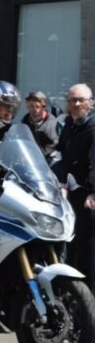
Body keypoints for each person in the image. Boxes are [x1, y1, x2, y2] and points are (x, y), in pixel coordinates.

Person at [56, 84, 95, 278]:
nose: (77, 104)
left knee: (89, 249)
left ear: (90, 103)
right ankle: (72, 295)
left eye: (81, 100)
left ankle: (90, 300)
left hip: (89, 196)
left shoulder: (93, 126)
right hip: (71, 193)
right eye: (73, 100)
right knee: (71, 242)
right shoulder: (69, 126)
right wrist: (59, 182)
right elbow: (61, 156)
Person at [23, 90, 59, 160]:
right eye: (31, 106)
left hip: (48, 163)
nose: (35, 110)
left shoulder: (53, 124)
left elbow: (58, 147)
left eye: (37, 106)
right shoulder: (25, 122)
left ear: (44, 107)